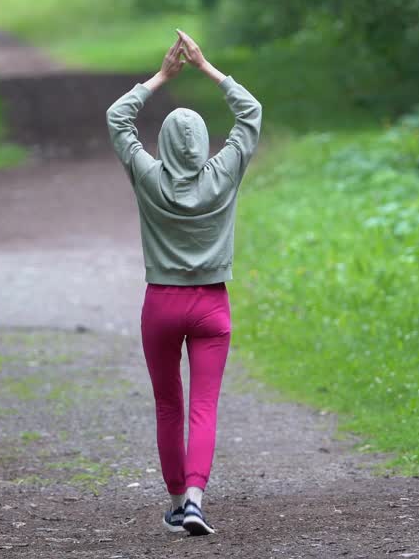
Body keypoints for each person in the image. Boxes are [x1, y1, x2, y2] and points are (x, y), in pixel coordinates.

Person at [105, 30, 262, 536]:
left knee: (169, 404)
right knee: (203, 405)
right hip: (212, 305)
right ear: (204, 145)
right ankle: (195, 498)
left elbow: (117, 119)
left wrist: (162, 77)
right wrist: (208, 68)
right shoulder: (224, 173)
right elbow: (250, 114)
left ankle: (176, 502)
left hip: (162, 305)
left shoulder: (148, 175)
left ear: (166, 145)